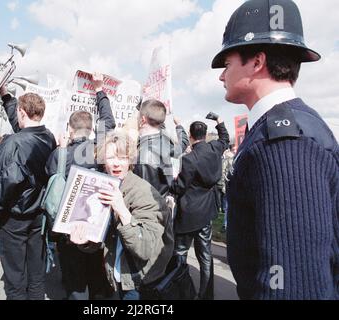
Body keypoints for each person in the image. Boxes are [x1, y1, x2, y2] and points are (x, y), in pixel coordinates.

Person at [212, 0, 339, 299]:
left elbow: (294, 284)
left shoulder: (284, 144)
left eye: (227, 64)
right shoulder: (284, 127)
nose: (221, 76)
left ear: (257, 62)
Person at [71, 131, 174, 300]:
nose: (116, 164)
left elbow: (145, 248)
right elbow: (103, 235)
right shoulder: (105, 185)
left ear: (130, 160)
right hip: (118, 276)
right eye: (111, 158)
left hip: (140, 282)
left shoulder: (143, 193)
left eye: (122, 157)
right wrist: (85, 240)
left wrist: (122, 209)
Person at [45, 73, 116, 300]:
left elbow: (50, 183)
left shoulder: (59, 154)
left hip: (68, 229)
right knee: (96, 275)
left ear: (70, 128)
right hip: (95, 226)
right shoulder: (99, 149)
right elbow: (109, 122)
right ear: (91, 128)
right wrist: (99, 90)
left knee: (75, 281)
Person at [0, 92, 56, 300]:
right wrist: (7, 97)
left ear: (22, 112)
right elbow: (23, 131)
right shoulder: (48, 137)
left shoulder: (13, 142)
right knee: (36, 276)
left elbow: (2, 181)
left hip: (15, 218)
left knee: (15, 279)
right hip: (38, 216)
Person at [170, 113, 229, 300]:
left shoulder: (190, 159)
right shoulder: (215, 149)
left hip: (189, 213)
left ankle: (181, 291)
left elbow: (180, 187)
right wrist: (219, 121)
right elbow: (225, 139)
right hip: (207, 211)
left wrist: (171, 181)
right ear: (205, 134)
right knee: (205, 255)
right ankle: (206, 295)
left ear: (191, 135)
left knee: (180, 253)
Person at [134, 100, 188, 198]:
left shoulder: (146, 154)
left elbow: (144, 196)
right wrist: (179, 125)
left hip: (150, 208)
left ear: (142, 119)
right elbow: (183, 144)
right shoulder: (165, 141)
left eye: (137, 117)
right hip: (162, 204)